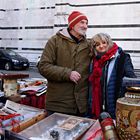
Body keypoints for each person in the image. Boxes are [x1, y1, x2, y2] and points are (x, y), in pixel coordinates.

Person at [38, 11, 91, 117]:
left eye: (86, 23)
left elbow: (105, 50)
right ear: (72, 24)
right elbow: (43, 66)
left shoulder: (89, 44)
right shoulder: (55, 41)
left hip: (81, 106)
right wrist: (68, 73)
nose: (85, 26)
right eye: (82, 22)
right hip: (58, 105)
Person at [89, 33, 136, 119]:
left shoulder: (122, 57)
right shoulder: (94, 62)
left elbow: (131, 79)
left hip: (116, 102)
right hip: (99, 105)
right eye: (97, 44)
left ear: (109, 43)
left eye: (104, 42)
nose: (101, 46)